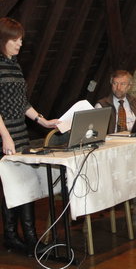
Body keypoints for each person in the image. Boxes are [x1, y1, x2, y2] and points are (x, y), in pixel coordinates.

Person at [0, 17, 58, 256]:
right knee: (13, 186)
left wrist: (43, 121)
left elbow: (22, 103)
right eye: (16, 39)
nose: (20, 44)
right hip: (4, 135)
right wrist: (5, 137)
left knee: (24, 184)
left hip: (19, 133)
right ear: (3, 39)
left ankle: (29, 237)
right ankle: (13, 237)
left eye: (21, 39)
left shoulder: (14, 65)